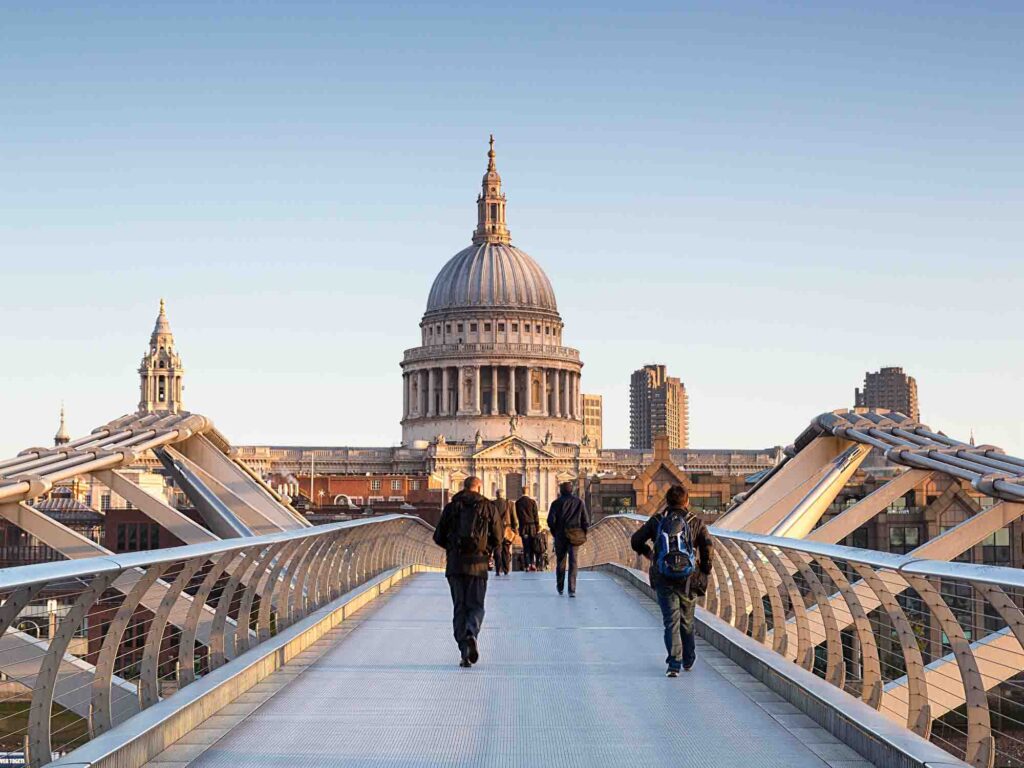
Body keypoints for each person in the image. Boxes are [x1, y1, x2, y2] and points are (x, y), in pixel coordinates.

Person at [630, 485, 714, 677]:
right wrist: (705, 569)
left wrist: (650, 554)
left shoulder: (658, 520)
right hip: (689, 578)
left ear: (666, 502)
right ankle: (689, 658)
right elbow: (708, 547)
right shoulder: (696, 521)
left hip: (664, 576)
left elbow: (636, 541)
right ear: (687, 502)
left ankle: (673, 664)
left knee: (670, 621)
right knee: (687, 619)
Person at [433, 476, 503, 667]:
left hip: (455, 564)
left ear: (463, 487)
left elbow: (437, 536)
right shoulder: (489, 507)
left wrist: (451, 547)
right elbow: (499, 537)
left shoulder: (451, 507)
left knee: (459, 607)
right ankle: (472, 631)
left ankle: (464, 651)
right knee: (476, 605)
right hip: (478, 564)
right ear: (479, 488)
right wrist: (485, 549)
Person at [547, 481, 590, 597]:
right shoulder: (579, 502)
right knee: (573, 562)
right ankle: (572, 589)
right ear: (572, 490)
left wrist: (555, 532)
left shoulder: (555, 503)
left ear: (560, 491)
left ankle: (560, 587)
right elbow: (585, 520)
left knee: (560, 561)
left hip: (560, 536)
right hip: (575, 535)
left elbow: (550, 521)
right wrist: (583, 533)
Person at [492, 489, 517, 575]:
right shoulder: (510, 503)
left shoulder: (492, 504)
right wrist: (515, 530)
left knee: (497, 549)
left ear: (496, 495)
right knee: (506, 550)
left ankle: (498, 569)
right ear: (503, 495)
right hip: (507, 529)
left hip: (495, 530)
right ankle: (506, 569)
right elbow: (514, 518)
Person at [515, 491, 540, 571]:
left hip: (523, 526)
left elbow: (517, 515)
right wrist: (537, 526)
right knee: (532, 546)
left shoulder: (518, 502)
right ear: (528, 492)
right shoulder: (532, 502)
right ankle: (533, 563)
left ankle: (527, 564)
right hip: (532, 526)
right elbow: (536, 515)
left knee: (526, 546)